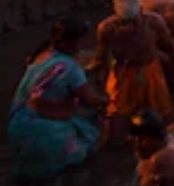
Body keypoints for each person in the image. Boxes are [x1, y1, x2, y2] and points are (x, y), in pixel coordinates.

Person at [7, 16, 106, 183]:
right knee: (91, 140)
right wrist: (108, 100)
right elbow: (91, 100)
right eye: (81, 41)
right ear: (71, 43)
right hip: (44, 133)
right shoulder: (70, 68)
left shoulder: (40, 55)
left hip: (18, 125)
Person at [92, 0, 174, 144]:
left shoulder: (154, 22)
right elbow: (101, 60)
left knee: (165, 125)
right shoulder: (107, 29)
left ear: (141, 11)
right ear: (116, 16)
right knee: (115, 132)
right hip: (123, 74)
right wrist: (100, 89)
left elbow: (171, 49)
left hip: (151, 73)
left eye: (134, 21)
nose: (129, 27)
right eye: (125, 22)